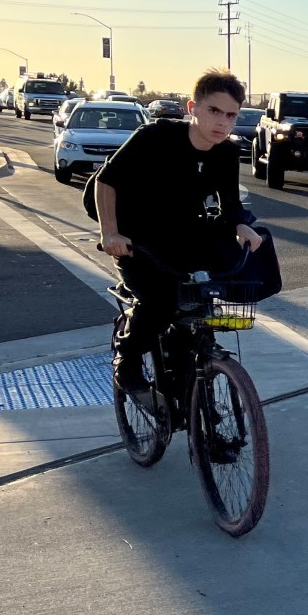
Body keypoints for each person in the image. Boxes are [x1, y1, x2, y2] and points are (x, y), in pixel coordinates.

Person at [95, 69, 262, 394]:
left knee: (208, 294)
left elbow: (230, 204)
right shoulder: (155, 136)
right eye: (214, 111)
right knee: (159, 301)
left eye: (231, 115)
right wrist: (110, 233)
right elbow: (106, 180)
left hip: (185, 234)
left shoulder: (227, 152)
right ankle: (126, 363)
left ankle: (186, 378)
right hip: (136, 237)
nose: (222, 122)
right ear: (193, 108)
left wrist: (243, 225)